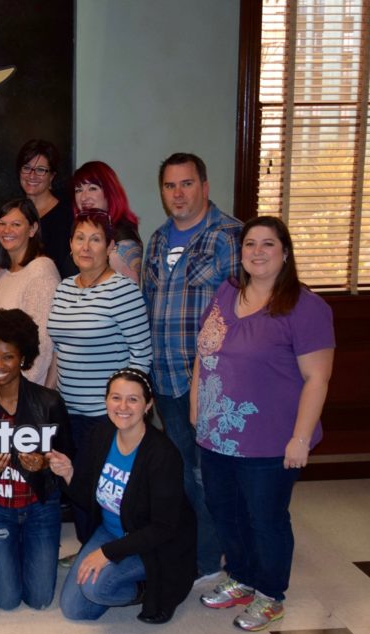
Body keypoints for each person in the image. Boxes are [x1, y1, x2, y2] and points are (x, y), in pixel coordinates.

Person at [193, 216, 334, 631]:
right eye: (250, 244)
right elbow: (205, 350)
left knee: (265, 517)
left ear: (285, 253)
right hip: (217, 434)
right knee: (224, 510)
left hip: (271, 440)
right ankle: (241, 576)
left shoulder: (306, 307)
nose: (257, 251)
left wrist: (301, 438)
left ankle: (271, 594)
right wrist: (197, 410)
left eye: (267, 244)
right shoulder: (227, 292)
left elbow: (317, 378)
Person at [142, 152, 242, 583]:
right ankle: (200, 550)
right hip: (165, 378)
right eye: (169, 186)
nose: (178, 194)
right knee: (183, 472)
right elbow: (148, 303)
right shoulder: (159, 239)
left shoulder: (230, 236)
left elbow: (247, 309)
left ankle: (219, 556)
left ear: (204, 185)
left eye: (186, 184)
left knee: (212, 475)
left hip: (212, 380)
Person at [50, 368, 196, 624]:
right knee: (75, 609)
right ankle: (122, 575)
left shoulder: (162, 454)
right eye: (116, 398)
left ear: (148, 404)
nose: (123, 406)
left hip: (153, 544)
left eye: (133, 399)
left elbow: (163, 528)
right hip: (111, 531)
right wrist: (69, 473)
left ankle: (153, 588)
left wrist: (107, 553)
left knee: (97, 589)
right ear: (106, 401)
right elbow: (89, 498)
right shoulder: (101, 434)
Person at [48, 210, 152, 558]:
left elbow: (141, 355)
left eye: (95, 239)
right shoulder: (63, 288)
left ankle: (113, 555)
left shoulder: (122, 291)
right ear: (71, 244)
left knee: (107, 490)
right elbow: (59, 350)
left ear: (110, 246)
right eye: (80, 238)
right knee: (76, 483)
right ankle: (85, 550)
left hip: (107, 415)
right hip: (69, 410)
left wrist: (127, 412)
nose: (86, 246)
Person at [0, 309, 73, 610]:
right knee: (7, 600)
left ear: (23, 358)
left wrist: (45, 464)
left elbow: (68, 461)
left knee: (39, 599)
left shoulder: (49, 402)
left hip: (40, 506)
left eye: (7, 357)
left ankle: (33, 546)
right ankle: (17, 548)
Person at [0, 199, 60, 386]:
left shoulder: (41, 271)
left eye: (16, 224)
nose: (6, 230)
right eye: (2, 224)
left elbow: (42, 345)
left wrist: (20, 391)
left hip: (27, 389)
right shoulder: (3, 273)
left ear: (33, 229)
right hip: (5, 384)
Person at [72, 161, 143, 284]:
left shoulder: (123, 239)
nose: (83, 197)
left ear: (110, 192)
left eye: (92, 188)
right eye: (78, 190)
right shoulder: (79, 231)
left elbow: (126, 297)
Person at [16, 139, 75, 277]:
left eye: (40, 170)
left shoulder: (66, 216)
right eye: (26, 168)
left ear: (52, 176)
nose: (32, 175)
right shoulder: (12, 213)